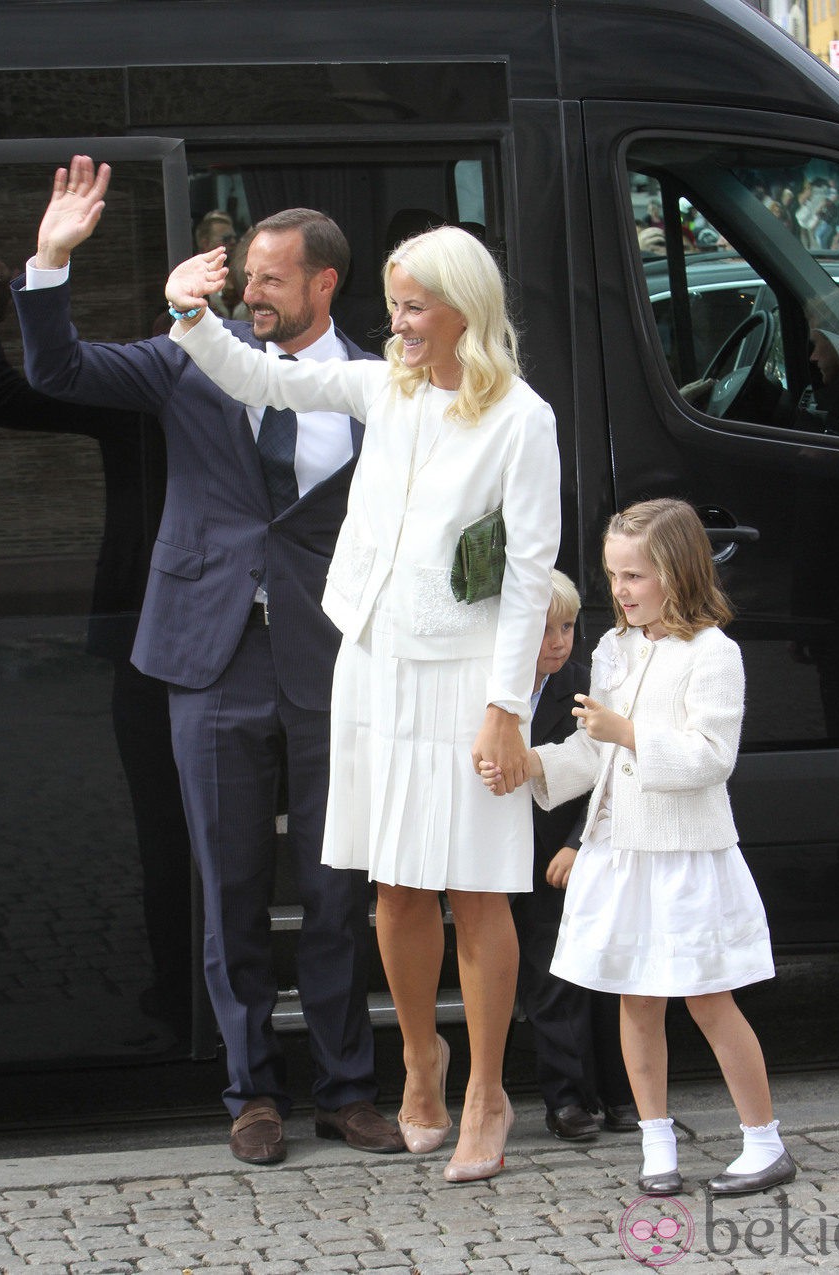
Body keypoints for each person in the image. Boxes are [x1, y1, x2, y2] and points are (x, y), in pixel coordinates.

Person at [11, 155, 403, 1165]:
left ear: (322, 284)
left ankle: (346, 1089)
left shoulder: (376, 385)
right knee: (227, 888)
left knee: (331, 893)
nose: (248, 293)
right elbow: (58, 373)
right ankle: (249, 1093)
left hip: (329, 664)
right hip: (208, 657)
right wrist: (51, 260)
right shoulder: (194, 351)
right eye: (244, 277)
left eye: (269, 279)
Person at [163, 219, 561, 1182]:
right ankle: (420, 1059)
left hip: (470, 680)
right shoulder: (380, 385)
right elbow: (263, 378)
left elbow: (527, 577)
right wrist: (190, 313)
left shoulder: (523, 420)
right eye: (393, 306)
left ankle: (485, 1092)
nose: (399, 323)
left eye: (414, 306)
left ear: (467, 307)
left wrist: (509, 706)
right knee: (394, 884)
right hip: (372, 669)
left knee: (476, 885)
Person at [482, 498, 795, 1199]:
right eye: (613, 574)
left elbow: (712, 757)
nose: (619, 589)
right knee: (636, 1000)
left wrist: (628, 733)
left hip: (685, 856)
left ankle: (764, 1140)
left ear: (677, 571)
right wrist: (535, 764)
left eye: (634, 575)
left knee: (710, 999)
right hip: (621, 851)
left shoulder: (715, 654)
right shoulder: (614, 647)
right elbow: (594, 751)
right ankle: (657, 1144)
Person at [0, 260, 193, 1040]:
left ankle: (179, 986)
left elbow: (6, 397)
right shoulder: (221, 390)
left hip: (150, 638)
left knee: (165, 826)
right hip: (166, 634)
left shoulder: (143, 394)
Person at [511, 570, 637, 1143]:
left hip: (565, 858)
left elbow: (607, 776)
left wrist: (575, 844)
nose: (559, 641)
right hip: (507, 859)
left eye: (566, 628)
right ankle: (569, 1097)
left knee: (585, 978)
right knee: (545, 981)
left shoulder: (585, 688)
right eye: (542, 631)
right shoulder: (495, 694)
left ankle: (606, 1098)